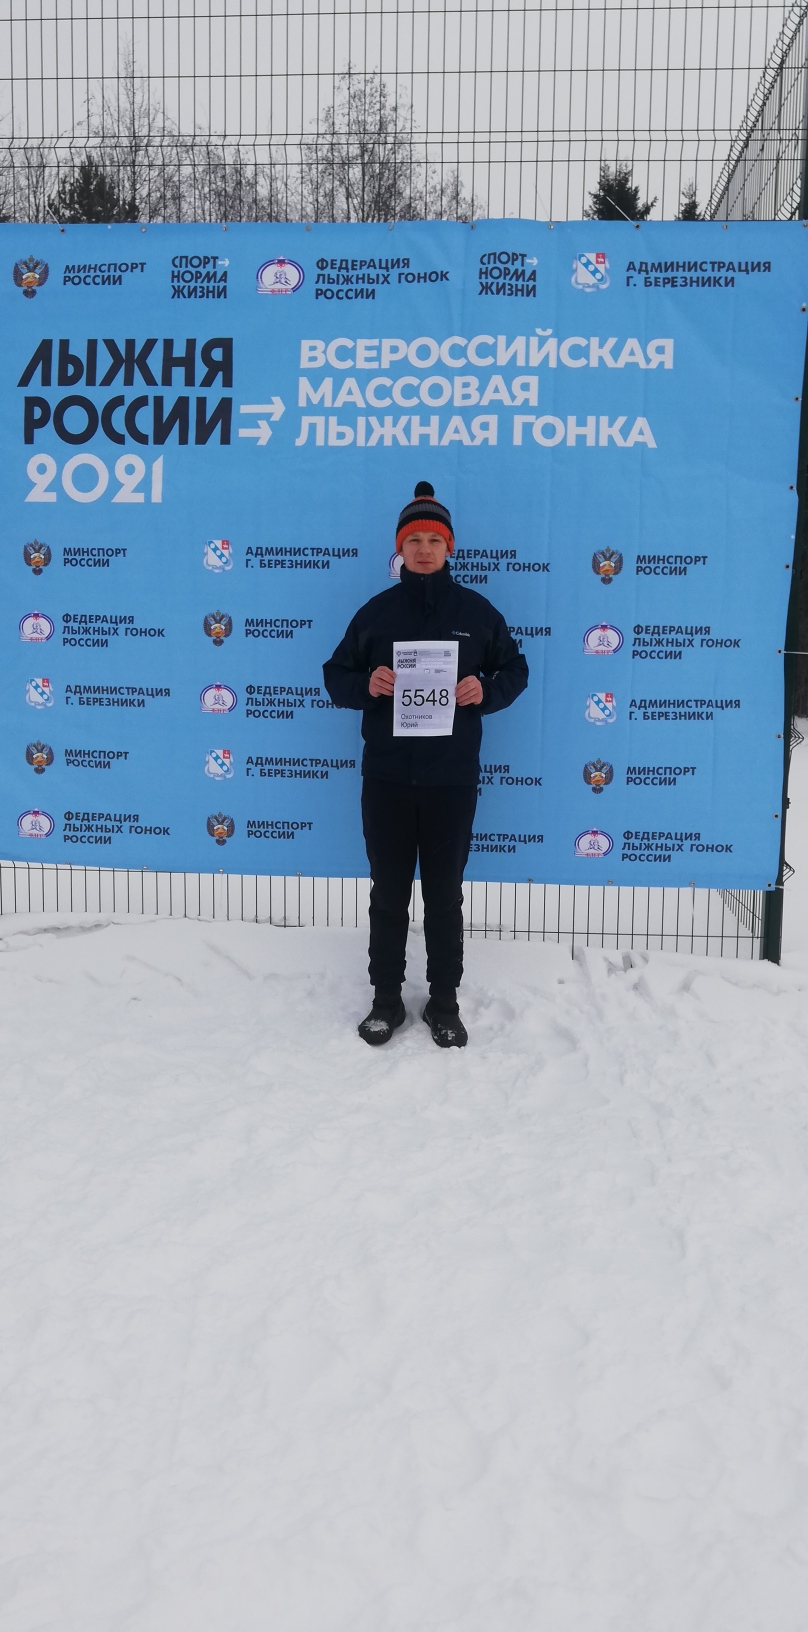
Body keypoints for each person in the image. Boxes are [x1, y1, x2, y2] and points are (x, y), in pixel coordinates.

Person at [323, 482, 529, 1048]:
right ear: (400, 548)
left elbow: (515, 670)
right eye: (413, 540)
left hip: (450, 781)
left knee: (444, 897)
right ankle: (386, 1001)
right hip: (387, 779)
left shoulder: (476, 613)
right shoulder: (377, 613)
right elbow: (335, 676)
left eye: (433, 540)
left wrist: (484, 690)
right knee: (388, 895)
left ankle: (444, 1003)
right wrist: (366, 683)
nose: (423, 549)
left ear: (449, 548)